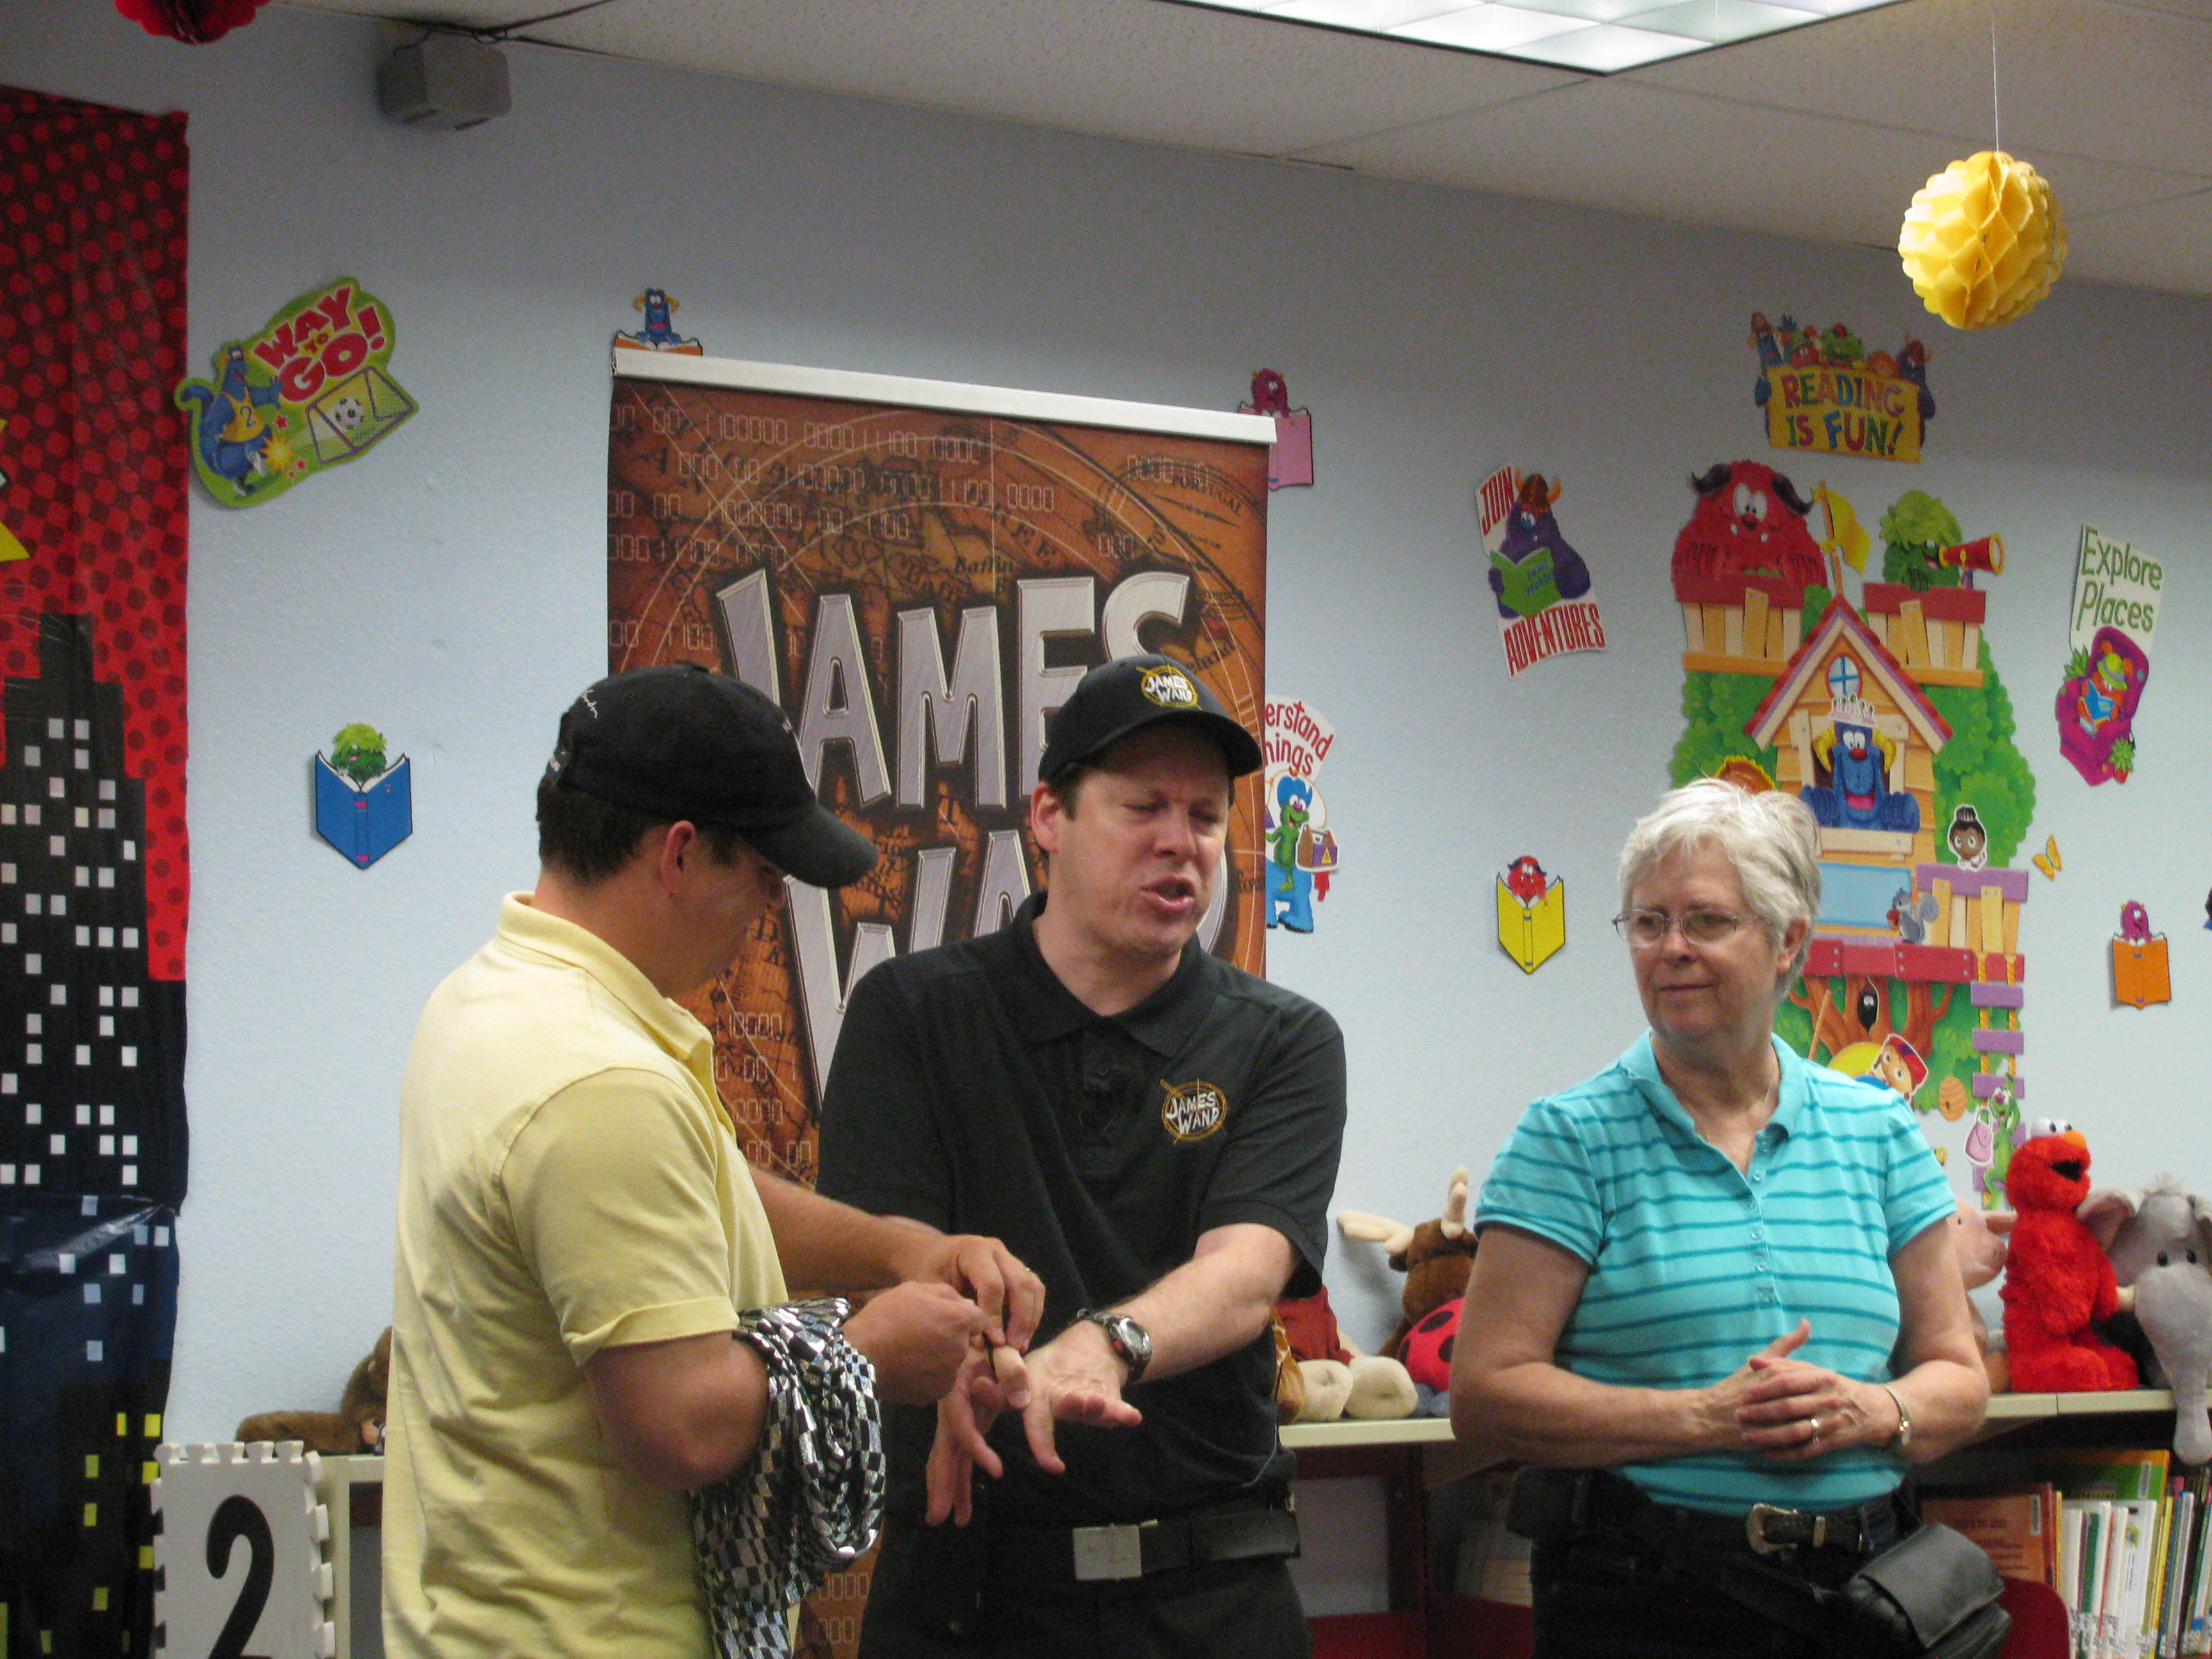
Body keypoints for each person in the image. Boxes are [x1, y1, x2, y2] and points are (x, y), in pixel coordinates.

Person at [384, 663, 1045, 1659]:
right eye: (767, 876)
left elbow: (686, 1205)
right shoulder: (600, 1083)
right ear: (682, 853)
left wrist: (901, 1250)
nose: (768, 910)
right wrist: (868, 1353)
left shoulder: (490, 998)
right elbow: (680, 1427)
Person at [815, 653, 1347, 1659]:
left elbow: (1246, 1274)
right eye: (1143, 807)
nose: (1180, 843)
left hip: (1212, 1596)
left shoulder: (1283, 1040)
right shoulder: (915, 1013)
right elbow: (882, 1254)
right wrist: (976, 1355)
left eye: (1205, 816)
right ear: (1049, 817)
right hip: (971, 1597)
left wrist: (1104, 1345)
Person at [1450, 779, 1988, 1658]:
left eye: (1705, 921)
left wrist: (1868, 1410)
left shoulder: (1879, 1130)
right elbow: (1485, 1398)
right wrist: (1706, 1418)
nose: (1672, 949)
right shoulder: (1569, 1139)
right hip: (1644, 1601)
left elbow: (1958, 1380)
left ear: (1788, 942)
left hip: (1865, 1600)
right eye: (1647, 923)